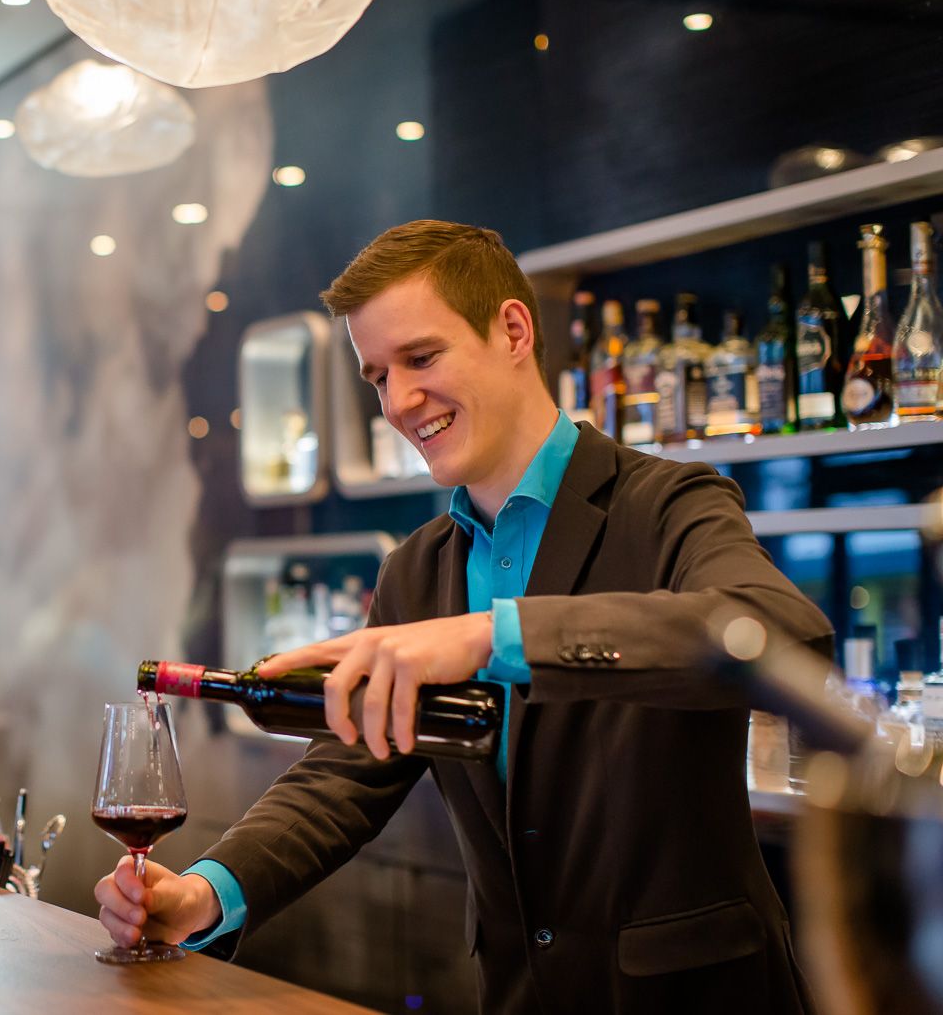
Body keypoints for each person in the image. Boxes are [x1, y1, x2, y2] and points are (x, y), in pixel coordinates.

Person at [94, 221, 832, 1014]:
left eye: (422, 357)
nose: (400, 402)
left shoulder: (669, 503)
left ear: (513, 330)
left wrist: (491, 633)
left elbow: (780, 632)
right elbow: (346, 773)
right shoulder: (415, 568)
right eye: (377, 376)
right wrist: (205, 892)